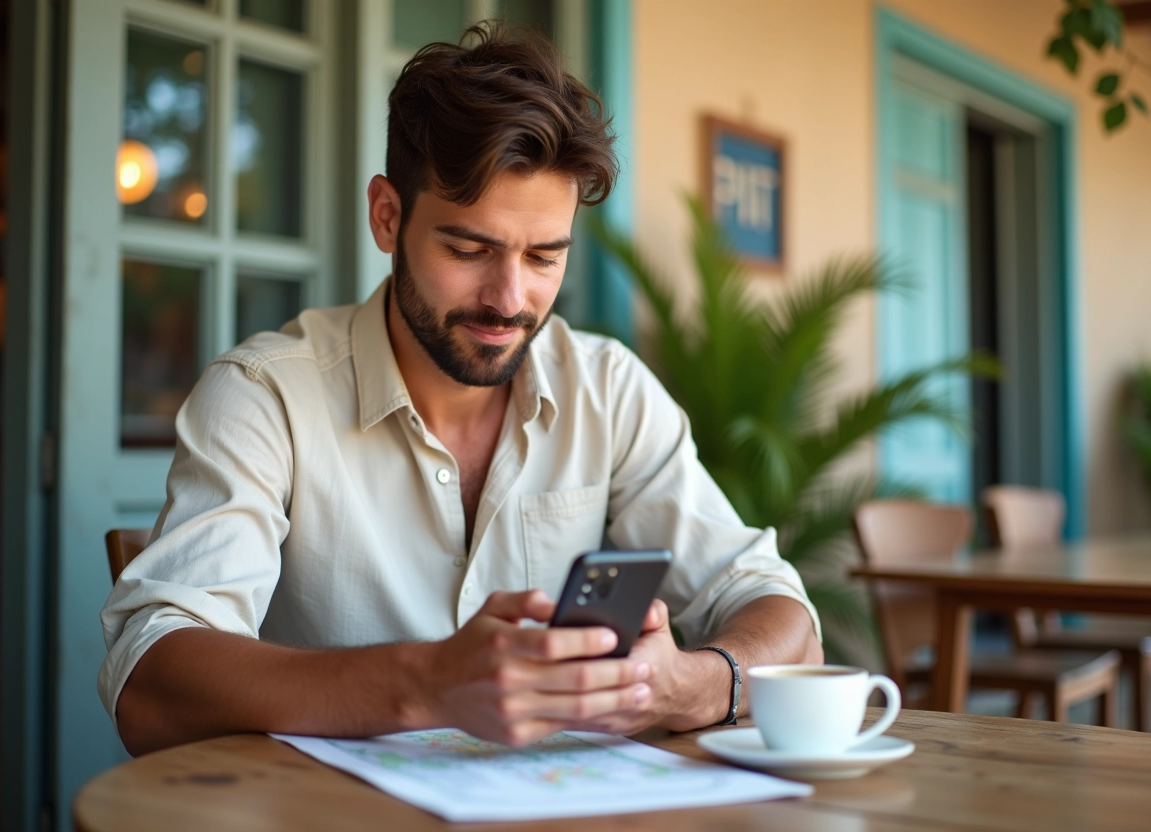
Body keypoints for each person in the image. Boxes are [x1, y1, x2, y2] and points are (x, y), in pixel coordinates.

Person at [99, 22, 822, 757]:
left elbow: (784, 616)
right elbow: (151, 686)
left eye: (544, 256)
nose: (509, 299)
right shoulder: (265, 397)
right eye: (469, 249)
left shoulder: (609, 391)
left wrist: (681, 684)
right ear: (388, 216)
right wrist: (427, 682)